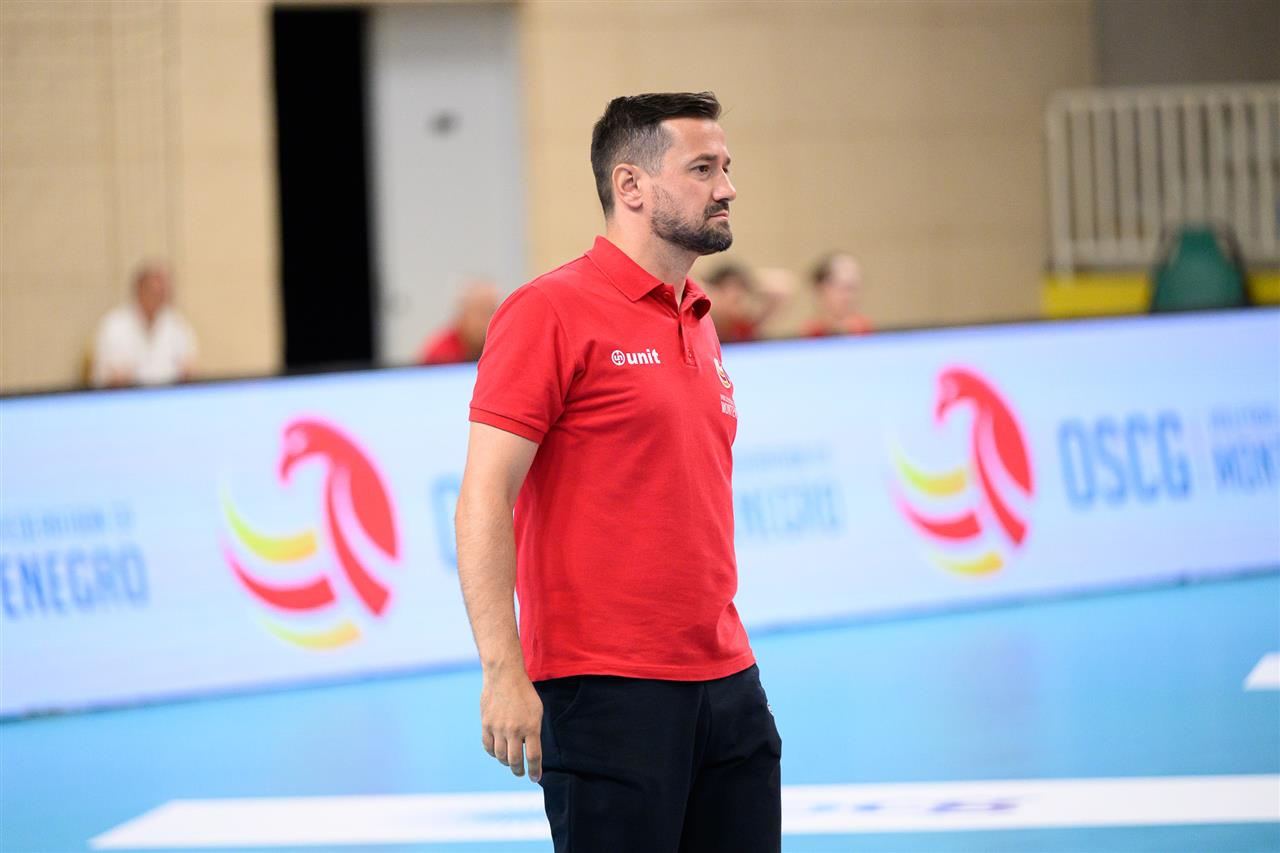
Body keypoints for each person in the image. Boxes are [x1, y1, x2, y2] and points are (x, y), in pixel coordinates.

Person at [455, 92, 781, 853]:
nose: (727, 187)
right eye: (703, 169)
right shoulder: (548, 310)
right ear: (630, 185)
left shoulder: (697, 313)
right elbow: (484, 498)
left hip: (728, 681)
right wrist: (503, 672)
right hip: (606, 693)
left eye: (726, 167)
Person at [90, 262, 197, 388]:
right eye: (155, 288)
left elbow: (189, 370)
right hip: (127, 397)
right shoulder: (114, 325)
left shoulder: (177, 324)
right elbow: (112, 378)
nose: (161, 293)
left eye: (165, 289)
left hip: (169, 396)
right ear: (140, 289)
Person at [418, 278, 500, 364]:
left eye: (492, 311)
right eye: (481, 312)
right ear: (463, 314)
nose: (489, 319)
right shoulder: (440, 354)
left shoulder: (499, 347)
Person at [703, 263, 792, 343]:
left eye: (740, 295)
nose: (740, 298)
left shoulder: (740, 326)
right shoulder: (699, 323)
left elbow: (782, 289)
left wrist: (751, 281)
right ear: (715, 291)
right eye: (735, 298)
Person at [802, 251, 872, 336]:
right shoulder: (811, 334)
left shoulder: (866, 332)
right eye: (844, 288)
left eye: (854, 288)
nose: (849, 297)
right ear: (821, 289)